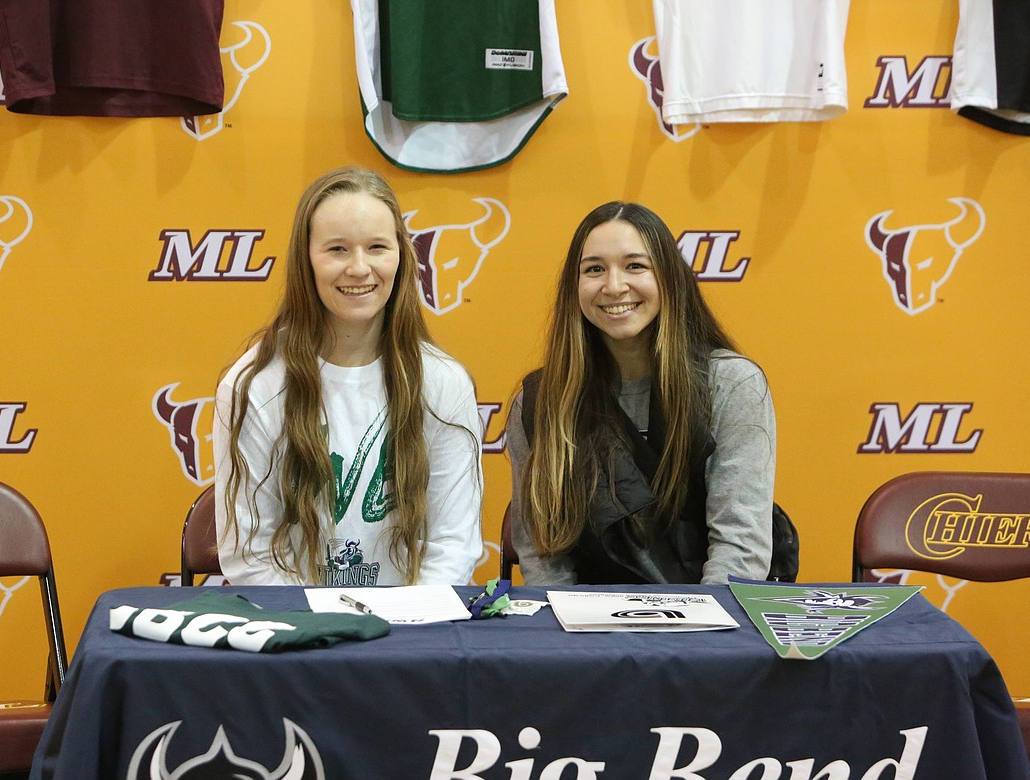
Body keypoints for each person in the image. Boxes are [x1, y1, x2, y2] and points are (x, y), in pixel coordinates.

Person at [214, 166, 483, 587]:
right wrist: (317, 636)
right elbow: (252, 554)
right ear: (306, 260)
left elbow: (453, 544)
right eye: (337, 249)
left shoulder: (443, 382)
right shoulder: (255, 385)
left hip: (410, 637)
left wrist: (405, 631)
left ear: (401, 255)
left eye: (377, 247)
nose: (359, 268)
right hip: (300, 636)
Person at [507, 201, 775, 585]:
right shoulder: (541, 401)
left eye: (635, 266)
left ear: (669, 279)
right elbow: (542, 553)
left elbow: (739, 546)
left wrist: (702, 632)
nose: (614, 286)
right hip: (584, 625)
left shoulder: (731, 384)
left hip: (708, 622)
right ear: (574, 286)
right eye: (594, 269)